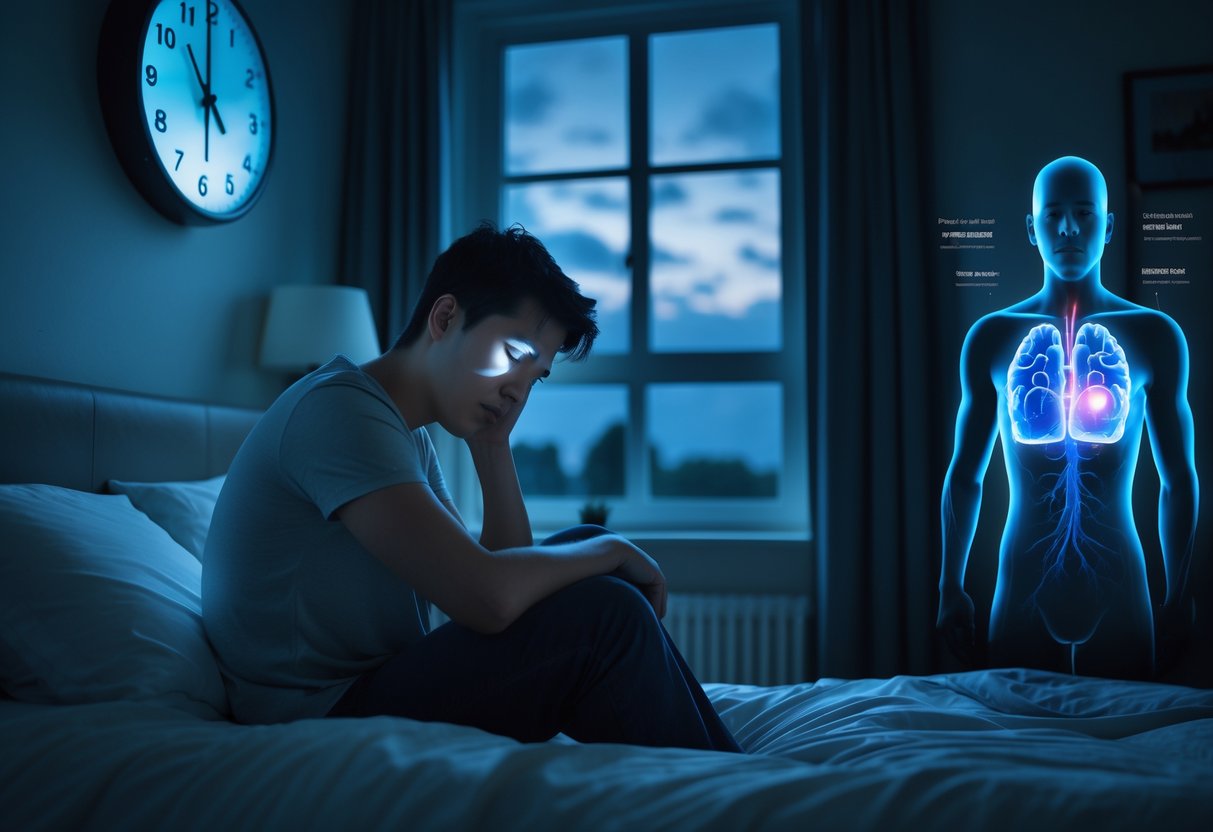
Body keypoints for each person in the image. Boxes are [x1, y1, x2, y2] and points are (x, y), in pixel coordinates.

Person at [202, 223, 741, 753]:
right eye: (512, 356)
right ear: (444, 318)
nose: (516, 393)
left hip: (367, 690)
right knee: (604, 607)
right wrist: (612, 549)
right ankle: (734, 793)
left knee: (581, 552)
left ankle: (728, 778)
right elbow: (487, 599)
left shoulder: (404, 436)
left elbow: (506, 586)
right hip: (313, 716)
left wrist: (492, 446)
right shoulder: (338, 410)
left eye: (534, 380)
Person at [936, 156, 1198, 680]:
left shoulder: (1155, 334)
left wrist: (1180, 593)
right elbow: (966, 474)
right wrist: (950, 585)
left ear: (1110, 223)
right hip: (1021, 585)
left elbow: (1178, 479)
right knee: (1021, 748)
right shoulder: (991, 337)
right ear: (1031, 229)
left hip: (1120, 587)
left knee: (1123, 751)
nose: (1070, 228)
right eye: (1053, 214)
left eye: (1084, 212)